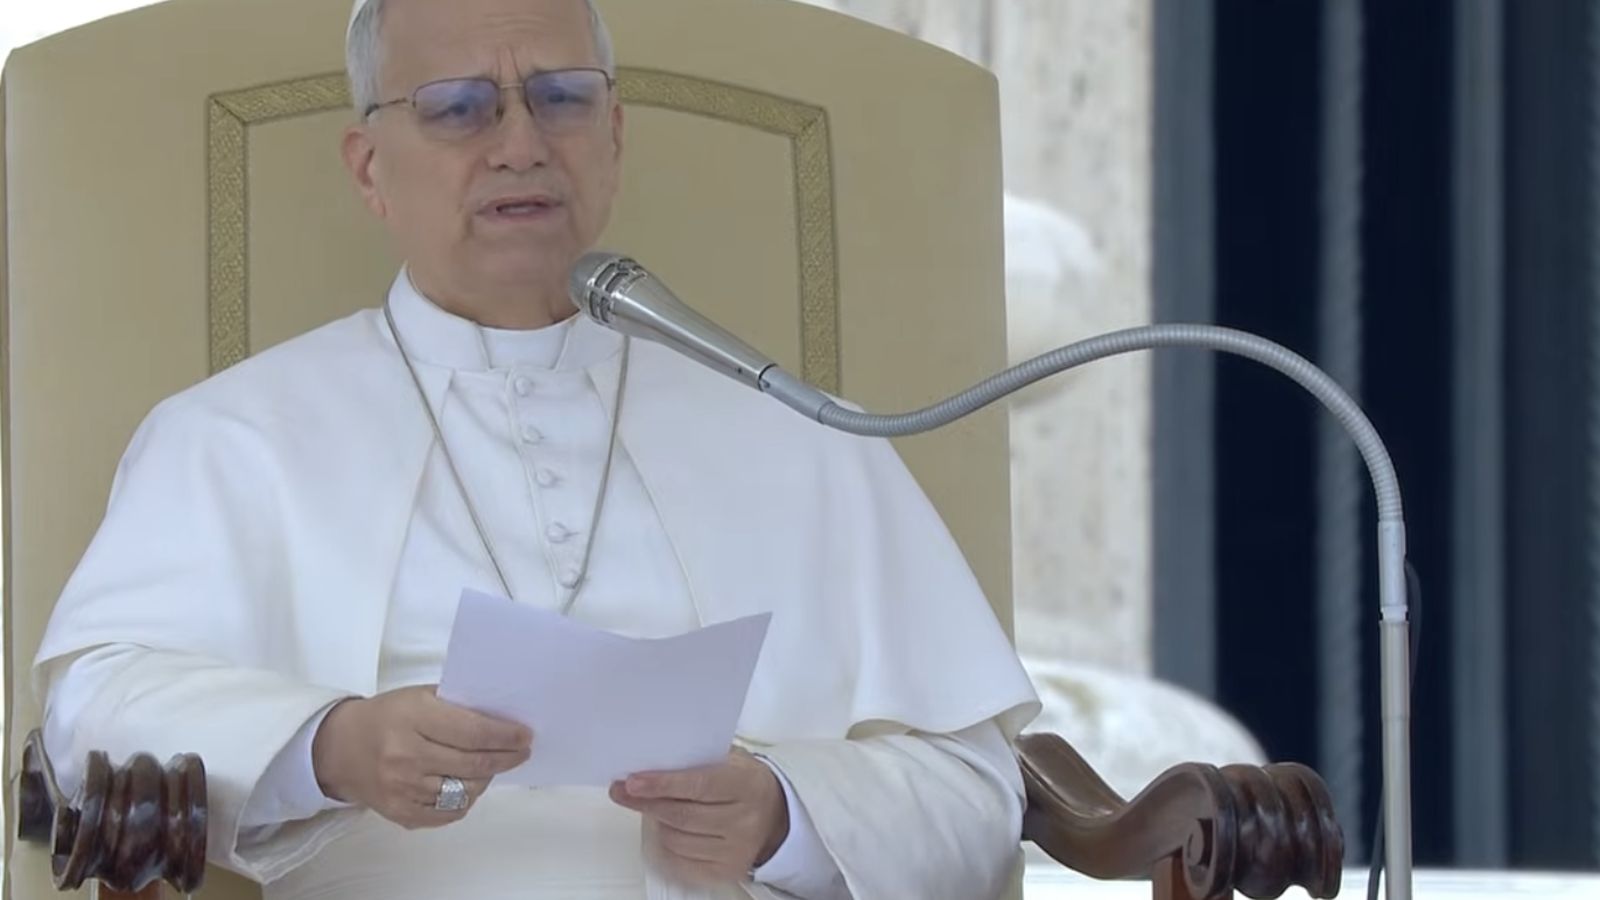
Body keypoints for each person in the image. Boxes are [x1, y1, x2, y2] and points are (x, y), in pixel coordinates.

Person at [33, 0, 1040, 897]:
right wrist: (334, 744)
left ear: (613, 135)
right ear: (370, 168)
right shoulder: (234, 435)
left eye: (561, 98)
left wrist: (787, 817)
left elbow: (975, 790)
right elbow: (95, 712)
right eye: (457, 107)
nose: (520, 144)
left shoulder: (803, 432)